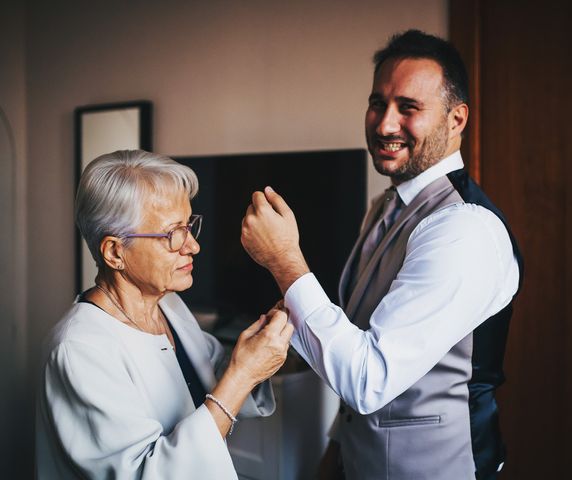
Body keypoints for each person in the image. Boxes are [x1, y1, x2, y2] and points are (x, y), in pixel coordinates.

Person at [241, 30, 523, 480]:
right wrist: (337, 449)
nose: (385, 124)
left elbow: (370, 379)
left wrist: (283, 260)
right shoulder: (383, 208)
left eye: (408, 108)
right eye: (378, 104)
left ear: (456, 120)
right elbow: (359, 337)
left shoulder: (464, 229)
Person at [36, 150, 293, 479]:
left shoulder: (168, 305)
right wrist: (242, 374)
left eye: (189, 226)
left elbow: (213, 381)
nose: (193, 246)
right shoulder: (80, 350)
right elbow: (148, 474)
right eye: (172, 234)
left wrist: (264, 343)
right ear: (115, 252)